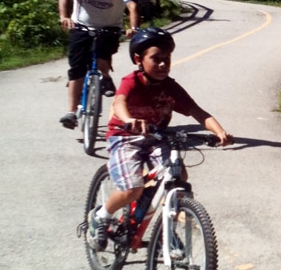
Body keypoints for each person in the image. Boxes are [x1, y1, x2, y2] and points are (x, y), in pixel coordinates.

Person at [86, 27, 233, 251]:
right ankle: (101, 215)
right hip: (125, 137)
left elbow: (198, 112)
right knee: (131, 190)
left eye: (167, 59)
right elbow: (119, 103)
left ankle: (167, 233)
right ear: (138, 59)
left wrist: (219, 131)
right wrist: (129, 120)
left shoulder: (171, 87)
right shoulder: (132, 81)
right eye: (156, 59)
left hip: (156, 138)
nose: (163, 64)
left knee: (179, 179)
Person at [58, 0, 140, 129]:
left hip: (109, 27)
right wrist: (64, 17)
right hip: (81, 25)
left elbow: (132, 5)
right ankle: (71, 112)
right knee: (77, 69)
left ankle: (105, 76)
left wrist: (133, 27)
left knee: (103, 57)